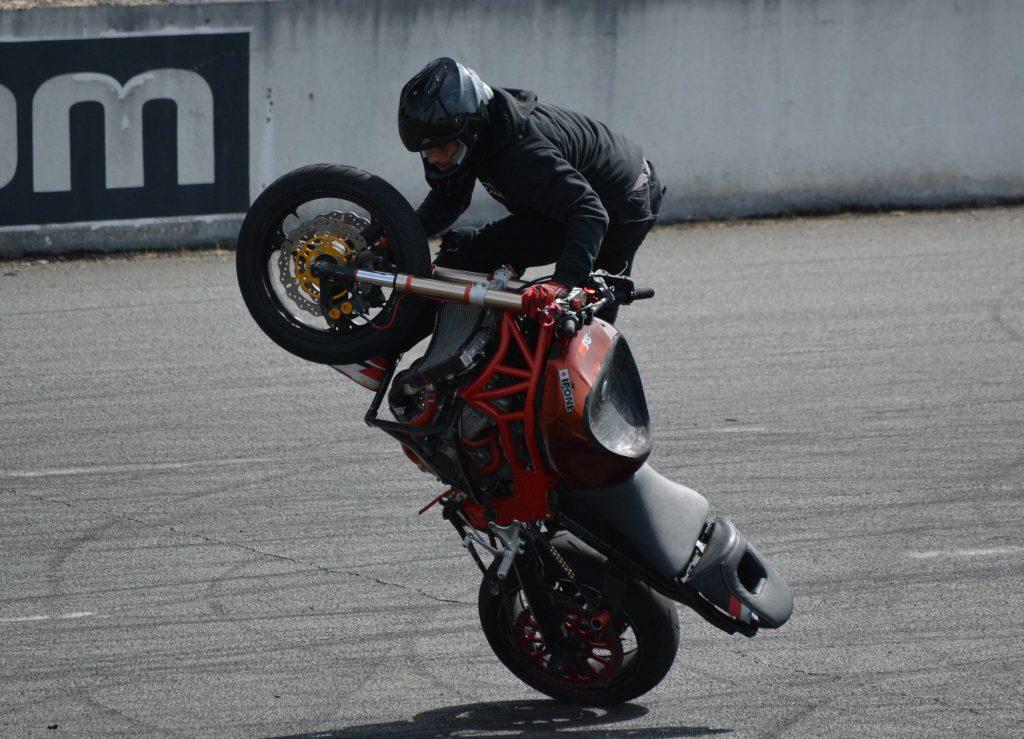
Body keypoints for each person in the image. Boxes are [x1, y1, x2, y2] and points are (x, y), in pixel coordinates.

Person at [335, 57, 663, 390]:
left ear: (467, 128)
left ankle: (381, 355)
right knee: (484, 257)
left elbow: (590, 212)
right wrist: (401, 235)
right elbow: (448, 201)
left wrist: (561, 283)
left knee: (566, 311)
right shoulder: (476, 133)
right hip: (593, 201)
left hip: (622, 205)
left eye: (440, 147)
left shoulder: (521, 154)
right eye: (426, 150)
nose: (433, 158)